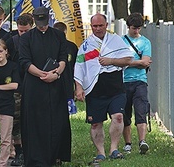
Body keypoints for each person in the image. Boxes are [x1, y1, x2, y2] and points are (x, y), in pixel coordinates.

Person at [74, 13, 133, 164]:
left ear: (107, 25)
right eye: (95, 26)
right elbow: (79, 67)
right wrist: (79, 87)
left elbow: (128, 59)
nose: (98, 28)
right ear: (91, 26)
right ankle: (100, 152)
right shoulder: (85, 46)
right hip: (94, 89)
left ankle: (114, 149)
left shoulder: (116, 41)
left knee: (118, 117)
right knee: (95, 123)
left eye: (101, 25)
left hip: (115, 87)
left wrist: (111, 60)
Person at [19, 6, 71, 166]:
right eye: (39, 22)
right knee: (34, 122)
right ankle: (35, 158)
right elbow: (24, 61)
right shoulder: (26, 38)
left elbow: (63, 57)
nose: (42, 25)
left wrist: (56, 74)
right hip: (35, 86)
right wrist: (42, 74)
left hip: (55, 84)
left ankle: (55, 155)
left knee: (56, 120)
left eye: (44, 21)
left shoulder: (58, 35)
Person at [5, 13, 33, 166]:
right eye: (21, 31)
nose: (23, 34)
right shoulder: (11, 42)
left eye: (26, 31)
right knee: (16, 123)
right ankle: (19, 153)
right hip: (16, 87)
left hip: (34, 86)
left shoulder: (37, 40)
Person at [122, 13, 152, 154]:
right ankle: (128, 143)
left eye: (139, 28)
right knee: (125, 112)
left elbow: (145, 62)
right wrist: (138, 62)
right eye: (134, 28)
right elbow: (120, 63)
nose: (136, 31)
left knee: (141, 110)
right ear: (128, 27)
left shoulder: (146, 42)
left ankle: (142, 141)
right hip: (124, 81)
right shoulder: (121, 41)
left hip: (140, 81)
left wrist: (129, 62)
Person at [53, 22, 79, 113]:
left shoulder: (72, 47)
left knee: (66, 112)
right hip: (52, 83)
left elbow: (77, 68)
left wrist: (77, 87)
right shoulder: (49, 46)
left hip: (67, 84)